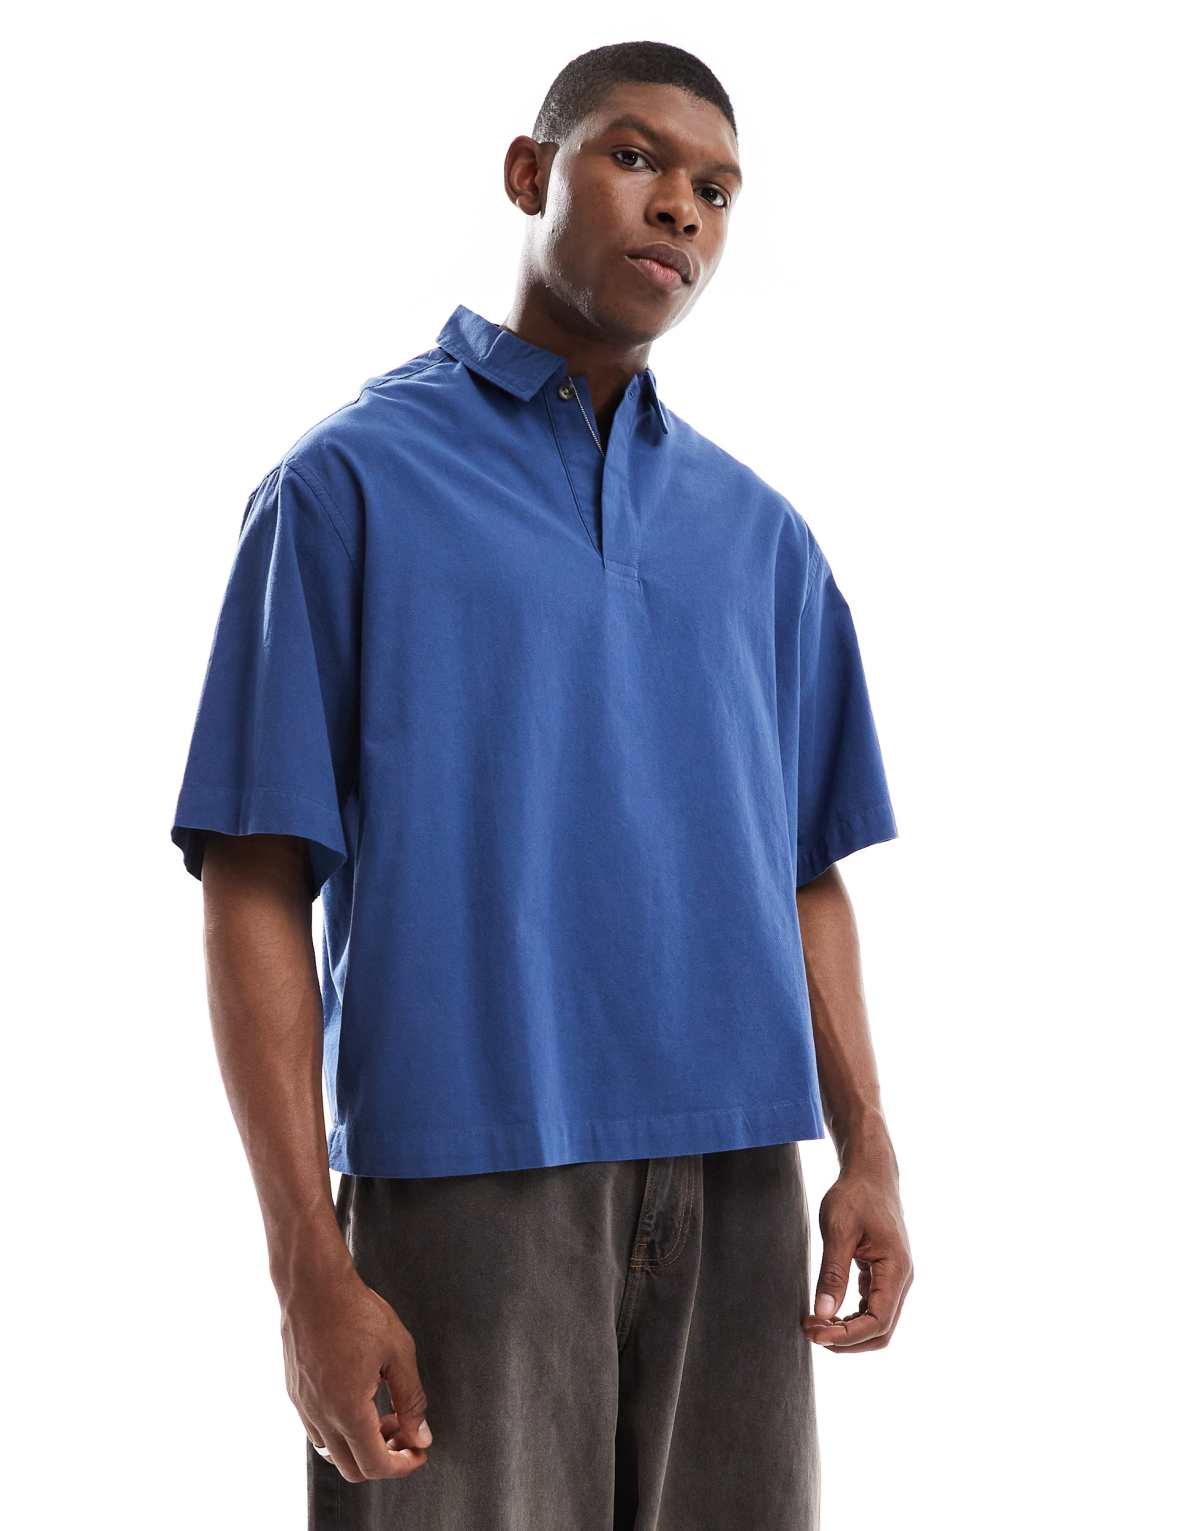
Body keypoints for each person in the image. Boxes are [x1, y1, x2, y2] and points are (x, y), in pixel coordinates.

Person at [169, 39, 913, 1531]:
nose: (681, 208)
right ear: (530, 173)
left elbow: (804, 871)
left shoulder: (762, 539)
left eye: (717, 189)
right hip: (468, 1180)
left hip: (739, 1185)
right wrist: (307, 1258)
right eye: (635, 158)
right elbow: (254, 878)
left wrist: (870, 1150)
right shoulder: (346, 488)